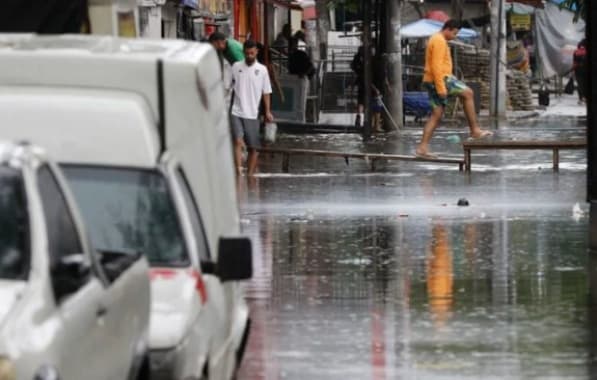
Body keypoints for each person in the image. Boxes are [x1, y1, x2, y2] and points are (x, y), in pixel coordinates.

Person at [416, 19, 492, 159]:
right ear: (448, 29)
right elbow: (436, 67)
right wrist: (441, 88)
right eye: (455, 33)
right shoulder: (438, 40)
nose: (455, 36)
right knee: (468, 93)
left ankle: (422, 148)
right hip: (440, 79)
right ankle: (475, 130)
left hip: (431, 80)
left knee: (436, 115)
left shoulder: (436, 38)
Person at [231, 40, 274, 177]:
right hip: (236, 111)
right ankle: (238, 172)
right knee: (237, 140)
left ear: (256, 52)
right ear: (243, 52)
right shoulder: (236, 67)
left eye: (252, 53)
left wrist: (267, 111)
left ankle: (250, 175)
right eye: (247, 53)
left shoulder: (262, 70)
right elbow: (228, 87)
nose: (249, 55)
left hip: (253, 113)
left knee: (253, 147)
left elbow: (266, 91)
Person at [209, 32, 244, 110]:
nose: (213, 48)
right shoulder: (224, 48)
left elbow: (243, 66)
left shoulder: (232, 49)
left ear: (219, 42)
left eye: (213, 45)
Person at [573, 38, 587, 104]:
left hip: (578, 70)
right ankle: (584, 97)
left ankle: (581, 98)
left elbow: (574, 63)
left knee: (580, 84)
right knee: (585, 84)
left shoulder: (576, 52)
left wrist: (574, 69)